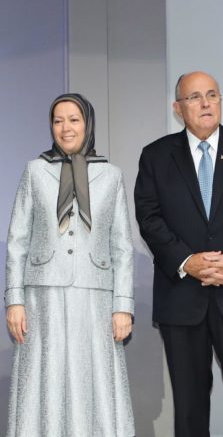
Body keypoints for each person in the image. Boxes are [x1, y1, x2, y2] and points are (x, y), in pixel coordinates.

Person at [134, 71, 223, 437]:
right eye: (195, 97)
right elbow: (149, 218)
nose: (205, 103)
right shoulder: (155, 156)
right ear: (177, 108)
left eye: (212, 95)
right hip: (183, 298)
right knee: (189, 406)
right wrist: (187, 262)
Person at [5, 93, 135, 437]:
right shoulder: (34, 171)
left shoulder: (111, 175)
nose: (65, 128)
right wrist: (14, 300)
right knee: (43, 377)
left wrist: (123, 306)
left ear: (87, 123)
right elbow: (17, 240)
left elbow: (122, 245)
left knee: (93, 378)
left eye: (74, 119)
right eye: (58, 120)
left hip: (96, 295)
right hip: (42, 294)